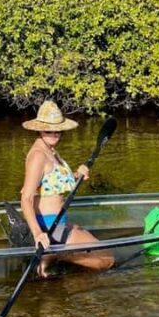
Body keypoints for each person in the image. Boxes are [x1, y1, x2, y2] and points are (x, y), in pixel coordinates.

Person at [19, 100, 115, 277]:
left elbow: (53, 183)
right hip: (49, 226)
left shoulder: (50, 150)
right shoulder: (38, 155)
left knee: (103, 250)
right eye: (49, 129)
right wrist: (38, 234)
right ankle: (56, 255)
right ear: (39, 129)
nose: (54, 133)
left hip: (59, 222)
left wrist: (77, 174)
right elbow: (26, 198)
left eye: (58, 129)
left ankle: (52, 259)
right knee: (107, 259)